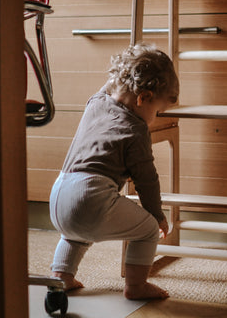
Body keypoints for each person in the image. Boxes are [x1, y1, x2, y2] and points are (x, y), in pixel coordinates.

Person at [49, 43, 179, 300]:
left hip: (59, 196)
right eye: (157, 110)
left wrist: (129, 68)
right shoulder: (136, 128)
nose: (156, 116)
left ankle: (61, 277)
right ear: (143, 98)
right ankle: (136, 285)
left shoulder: (96, 101)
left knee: (75, 232)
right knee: (148, 230)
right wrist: (157, 214)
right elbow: (147, 179)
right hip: (89, 197)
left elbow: (115, 84)